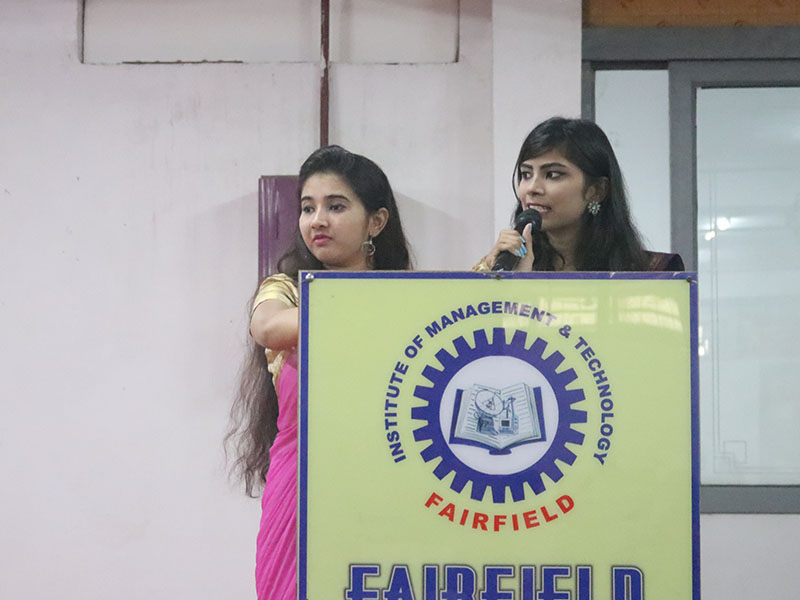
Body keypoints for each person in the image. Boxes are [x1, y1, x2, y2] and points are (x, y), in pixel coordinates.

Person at [227, 145, 412, 600]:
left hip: (386, 477)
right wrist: (367, 301)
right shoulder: (286, 290)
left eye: (336, 206)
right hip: (302, 486)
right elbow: (267, 328)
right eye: (308, 208)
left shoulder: (407, 296)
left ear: (376, 221)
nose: (317, 221)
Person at [476, 117, 683, 272]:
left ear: (597, 190)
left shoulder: (653, 274)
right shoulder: (502, 267)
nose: (532, 188)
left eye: (552, 174)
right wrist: (513, 282)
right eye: (526, 174)